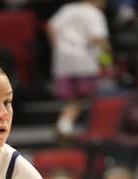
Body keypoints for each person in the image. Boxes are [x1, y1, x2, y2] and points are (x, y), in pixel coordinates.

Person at [47, 0, 110, 138]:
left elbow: (51, 27)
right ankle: (89, 129)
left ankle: (65, 125)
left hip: (63, 61)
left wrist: (58, 48)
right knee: (87, 98)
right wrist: (107, 60)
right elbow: (98, 38)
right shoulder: (94, 13)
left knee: (72, 100)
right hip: (85, 61)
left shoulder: (67, 9)